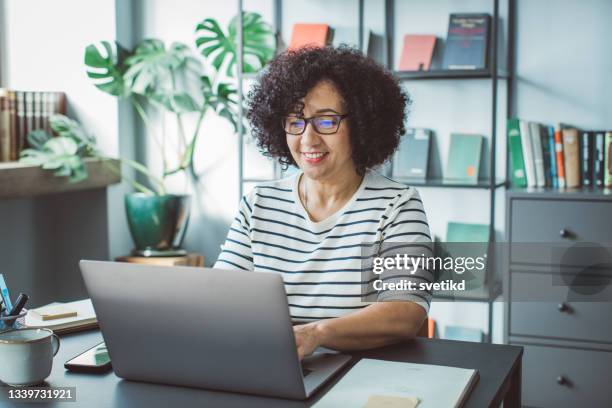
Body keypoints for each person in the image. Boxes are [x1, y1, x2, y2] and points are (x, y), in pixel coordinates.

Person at [214, 45, 432, 360]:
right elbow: (219, 293)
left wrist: (316, 334)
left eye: (326, 122)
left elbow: (405, 312)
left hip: (360, 374)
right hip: (270, 366)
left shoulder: (397, 205)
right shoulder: (259, 203)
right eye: (295, 121)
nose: (308, 139)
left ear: (360, 124)